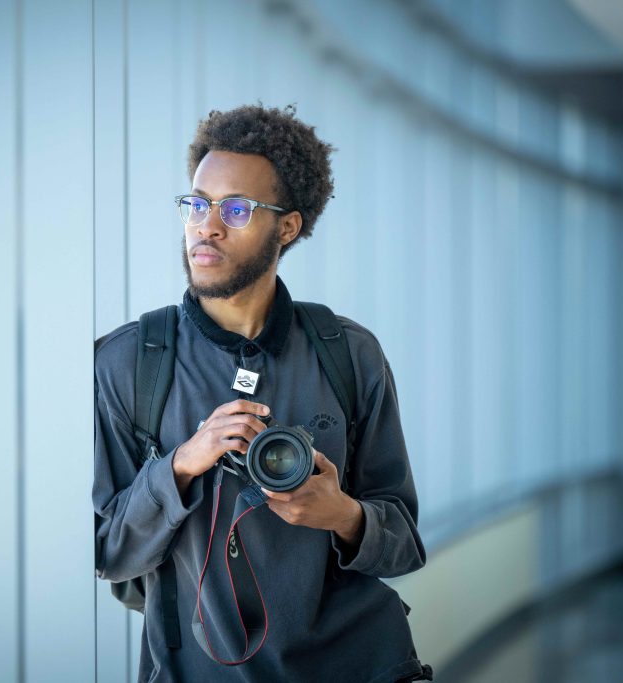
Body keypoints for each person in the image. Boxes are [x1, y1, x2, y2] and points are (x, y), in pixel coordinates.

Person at [93, 104, 432, 682]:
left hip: (358, 665)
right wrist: (179, 466)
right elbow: (106, 551)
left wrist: (344, 515)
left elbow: (404, 544)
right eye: (196, 204)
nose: (207, 225)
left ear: (289, 227)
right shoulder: (127, 361)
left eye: (236, 208)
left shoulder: (348, 353)